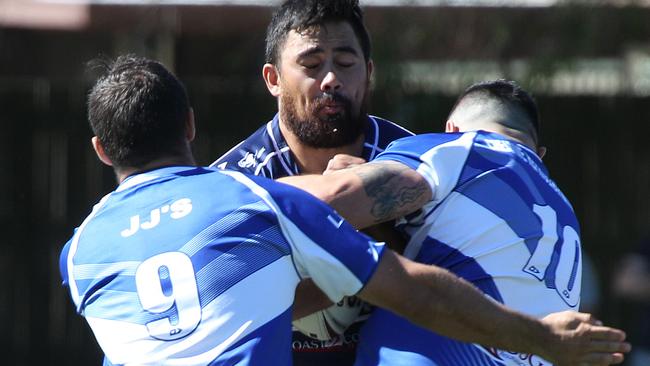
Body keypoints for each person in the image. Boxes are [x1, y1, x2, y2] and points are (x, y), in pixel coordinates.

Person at [60, 56, 630, 366]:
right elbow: (411, 286)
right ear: (190, 126)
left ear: (102, 150)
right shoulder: (252, 198)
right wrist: (543, 338)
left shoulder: (78, 251)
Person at [280, 80, 597, 365]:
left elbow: (335, 198)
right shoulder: (565, 213)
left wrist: (239, 190)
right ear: (539, 154)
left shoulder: (465, 149)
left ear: (451, 129)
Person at [210, 1, 412, 364]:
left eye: (346, 64)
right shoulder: (231, 185)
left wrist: (382, 222)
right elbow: (220, 315)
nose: (331, 78)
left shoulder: (412, 164)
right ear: (273, 79)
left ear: (368, 72)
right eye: (312, 65)